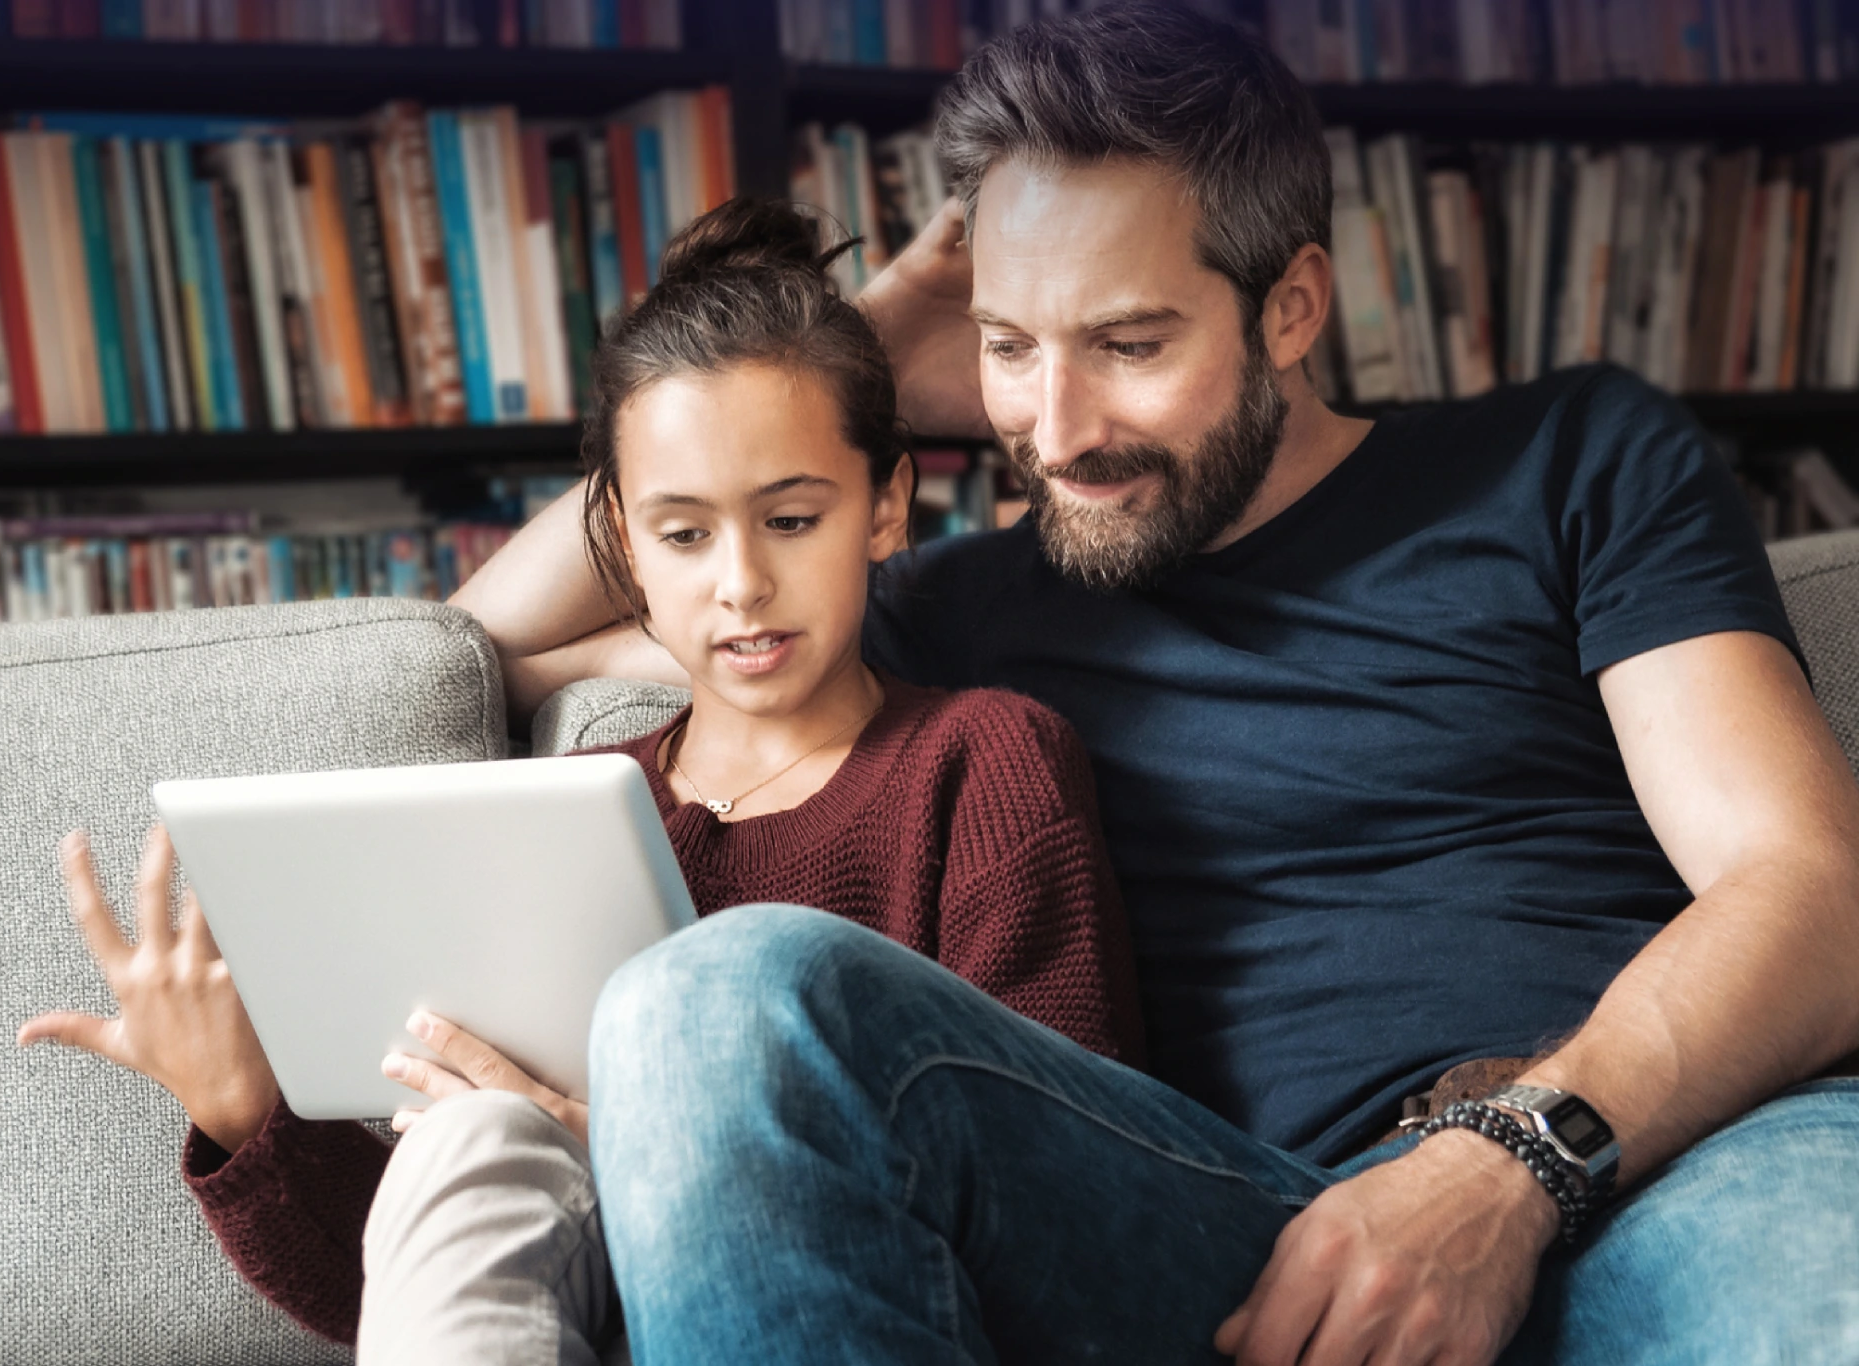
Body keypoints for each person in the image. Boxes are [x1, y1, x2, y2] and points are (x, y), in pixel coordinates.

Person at [453, 6, 1859, 1363]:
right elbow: (484, 648)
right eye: (1011, 348)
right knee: (713, 1000)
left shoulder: (1569, 461)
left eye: (1127, 345)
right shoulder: (942, 607)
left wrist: (1509, 1164)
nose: (1054, 433)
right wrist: (832, 365)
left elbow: (1809, 883)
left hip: (1655, 1157)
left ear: (1291, 304)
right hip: (1236, 1233)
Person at [16, 197, 1144, 1365]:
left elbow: (1056, 1189)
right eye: (683, 535)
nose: (742, 585)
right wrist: (243, 1108)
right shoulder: (568, 808)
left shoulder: (981, 761)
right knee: (468, 1147)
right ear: (620, 541)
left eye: (792, 518)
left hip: (847, 1302)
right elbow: (415, 1278)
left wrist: (651, 1162)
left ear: (885, 506)